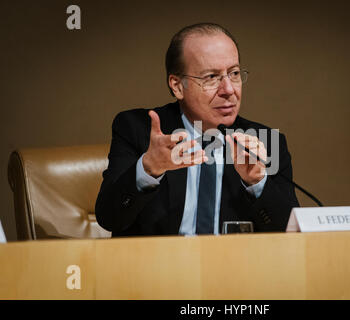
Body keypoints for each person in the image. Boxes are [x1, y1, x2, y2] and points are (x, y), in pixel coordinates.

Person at [95, 23, 299, 237]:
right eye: (211, 77)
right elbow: (109, 219)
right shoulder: (139, 129)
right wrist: (148, 169)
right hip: (157, 266)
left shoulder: (265, 142)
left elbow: (289, 236)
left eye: (234, 73)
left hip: (235, 267)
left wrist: (258, 182)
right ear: (177, 86)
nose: (229, 90)